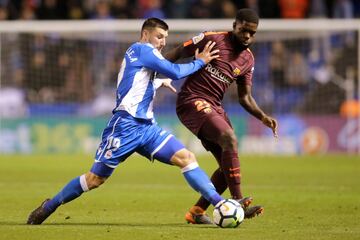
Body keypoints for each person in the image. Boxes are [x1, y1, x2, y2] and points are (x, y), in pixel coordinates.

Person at [27, 17, 225, 225]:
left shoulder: (140, 55)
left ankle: (219, 204)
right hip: (125, 126)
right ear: (145, 34)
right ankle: (49, 206)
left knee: (186, 157)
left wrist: (158, 82)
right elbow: (175, 71)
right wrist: (201, 61)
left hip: (147, 128)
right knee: (95, 179)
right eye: (159, 36)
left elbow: (135, 82)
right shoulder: (142, 50)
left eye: (165, 38)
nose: (163, 42)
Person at [165, 9, 278, 224]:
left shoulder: (248, 59)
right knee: (229, 138)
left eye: (252, 33)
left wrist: (262, 117)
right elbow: (180, 51)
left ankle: (197, 211)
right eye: (244, 30)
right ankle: (238, 201)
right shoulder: (212, 38)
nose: (247, 36)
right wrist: (152, 68)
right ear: (235, 25)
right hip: (191, 100)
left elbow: (245, 97)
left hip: (214, 106)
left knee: (227, 166)